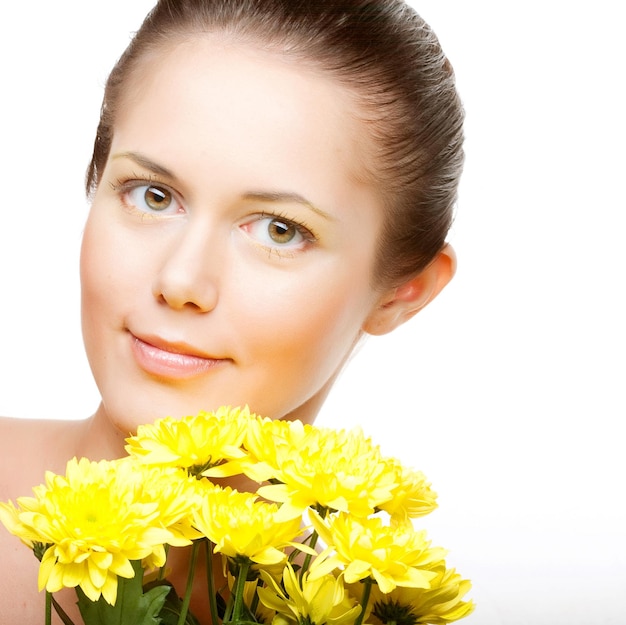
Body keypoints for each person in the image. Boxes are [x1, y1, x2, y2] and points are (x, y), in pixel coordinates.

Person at [0, 0, 464, 622]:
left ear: (401, 291)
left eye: (278, 230)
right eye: (153, 195)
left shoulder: (374, 609)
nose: (181, 280)